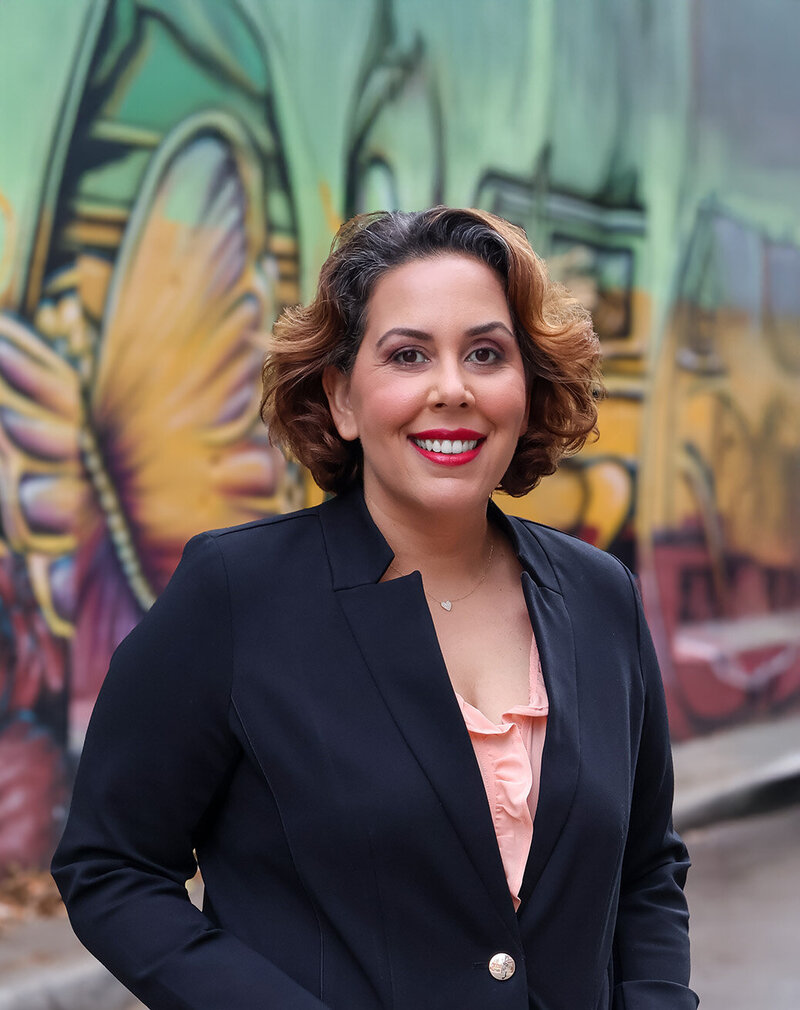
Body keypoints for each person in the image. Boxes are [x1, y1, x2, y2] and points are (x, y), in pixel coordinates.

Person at [52, 207, 697, 1010]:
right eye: (408, 355)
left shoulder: (602, 596)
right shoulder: (235, 593)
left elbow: (646, 868)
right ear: (343, 397)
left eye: (487, 354)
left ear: (526, 391)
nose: (452, 388)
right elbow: (111, 866)